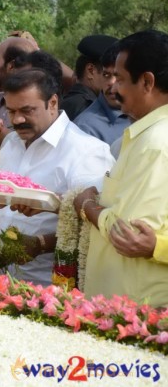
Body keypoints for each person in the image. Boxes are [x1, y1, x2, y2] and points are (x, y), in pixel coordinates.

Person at [0, 69, 114, 286]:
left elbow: (91, 228)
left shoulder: (86, 151)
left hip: (56, 288)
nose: (18, 119)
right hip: (3, 282)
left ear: (53, 103)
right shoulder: (11, 144)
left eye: (27, 110)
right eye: (11, 111)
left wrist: (39, 244)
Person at [73, 30, 168, 307]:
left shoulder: (156, 143)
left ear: (147, 82)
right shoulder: (147, 135)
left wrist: (87, 206)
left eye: (121, 80)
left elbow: (128, 235)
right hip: (123, 305)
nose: (113, 89)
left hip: (134, 309)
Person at [74, 43, 130, 145]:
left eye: (119, 76)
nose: (112, 82)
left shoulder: (149, 114)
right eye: (106, 75)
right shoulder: (85, 127)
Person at [61, 35, 117, 120]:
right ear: (91, 71)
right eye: (107, 75)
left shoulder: (71, 103)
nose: (114, 83)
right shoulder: (87, 108)